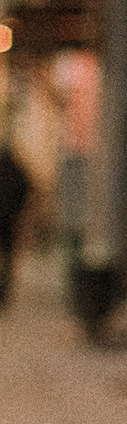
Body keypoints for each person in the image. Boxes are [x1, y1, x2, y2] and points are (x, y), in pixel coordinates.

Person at [0, 131, 32, 308]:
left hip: (7, 219)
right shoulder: (17, 171)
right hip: (10, 220)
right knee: (7, 256)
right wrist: (19, 212)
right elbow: (26, 189)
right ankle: (4, 290)